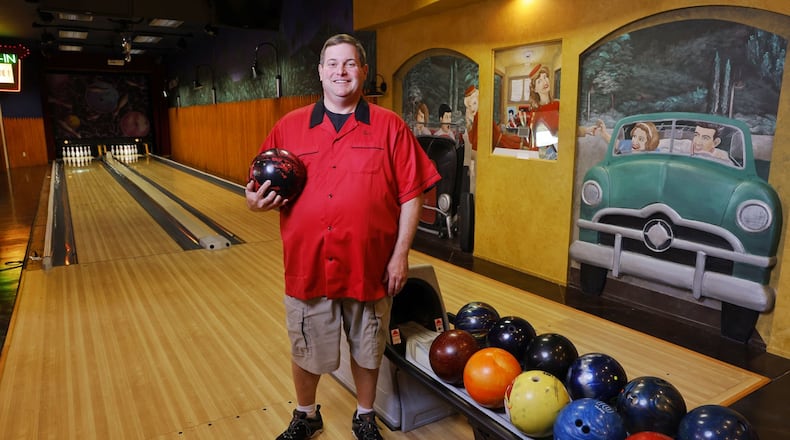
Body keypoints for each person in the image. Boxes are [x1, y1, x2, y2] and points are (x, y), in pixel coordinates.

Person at [245, 33, 440, 440]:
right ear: (320, 72)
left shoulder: (390, 127)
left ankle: (364, 415)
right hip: (309, 262)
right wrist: (254, 201)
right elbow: (256, 189)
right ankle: (305, 414)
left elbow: (411, 194)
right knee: (305, 345)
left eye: (350, 63)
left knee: (368, 345)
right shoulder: (290, 127)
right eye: (332, 63)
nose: (341, 71)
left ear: (364, 72)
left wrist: (400, 255)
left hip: (370, 264)